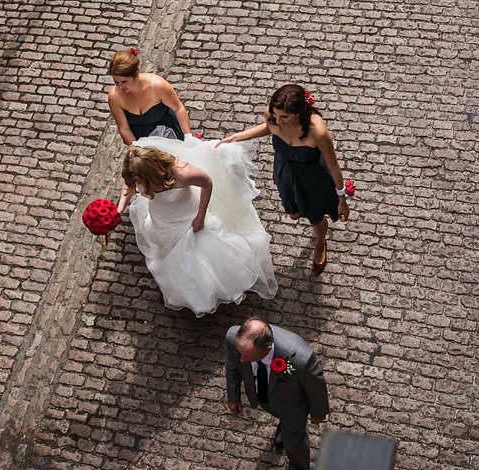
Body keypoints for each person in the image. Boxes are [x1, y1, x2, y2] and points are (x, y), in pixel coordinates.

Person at [117, 143, 278, 317]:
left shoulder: (182, 173)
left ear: (151, 172)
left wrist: (200, 216)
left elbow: (207, 183)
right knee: (170, 257)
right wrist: (118, 210)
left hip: (188, 217)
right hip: (161, 219)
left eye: (139, 180)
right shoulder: (138, 177)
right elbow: (129, 187)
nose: (136, 184)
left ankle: (207, 290)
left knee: (198, 257)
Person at [218, 84, 351, 275]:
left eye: (284, 117)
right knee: (294, 214)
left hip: (312, 180)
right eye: (275, 115)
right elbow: (268, 127)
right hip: (285, 171)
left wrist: (342, 199)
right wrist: (236, 137)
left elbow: (334, 166)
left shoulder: (317, 131)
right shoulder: (273, 117)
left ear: (298, 113)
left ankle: (320, 242)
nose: (277, 121)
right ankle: (309, 222)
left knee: (314, 217)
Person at [225, 317, 329, 470]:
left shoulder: (300, 359)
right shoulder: (233, 338)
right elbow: (232, 363)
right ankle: (282, 427)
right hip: (265, 397)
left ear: (265, 351)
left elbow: (316, 386)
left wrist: (318, 413)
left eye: (247, 356)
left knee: (294, 444)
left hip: (291, 407)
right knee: (284, 427)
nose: (242, 360)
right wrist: (233, 396)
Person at [107, 48, 192, 144]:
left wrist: (188, 136)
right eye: (116, 82)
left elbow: (178, 108)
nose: (120, 87)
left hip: (167, 134)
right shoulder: (114, 97)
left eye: (124, 82)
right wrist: (137, 150)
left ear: (136, 74)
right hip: (140, 139)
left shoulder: (158, 86)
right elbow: (124, 128)